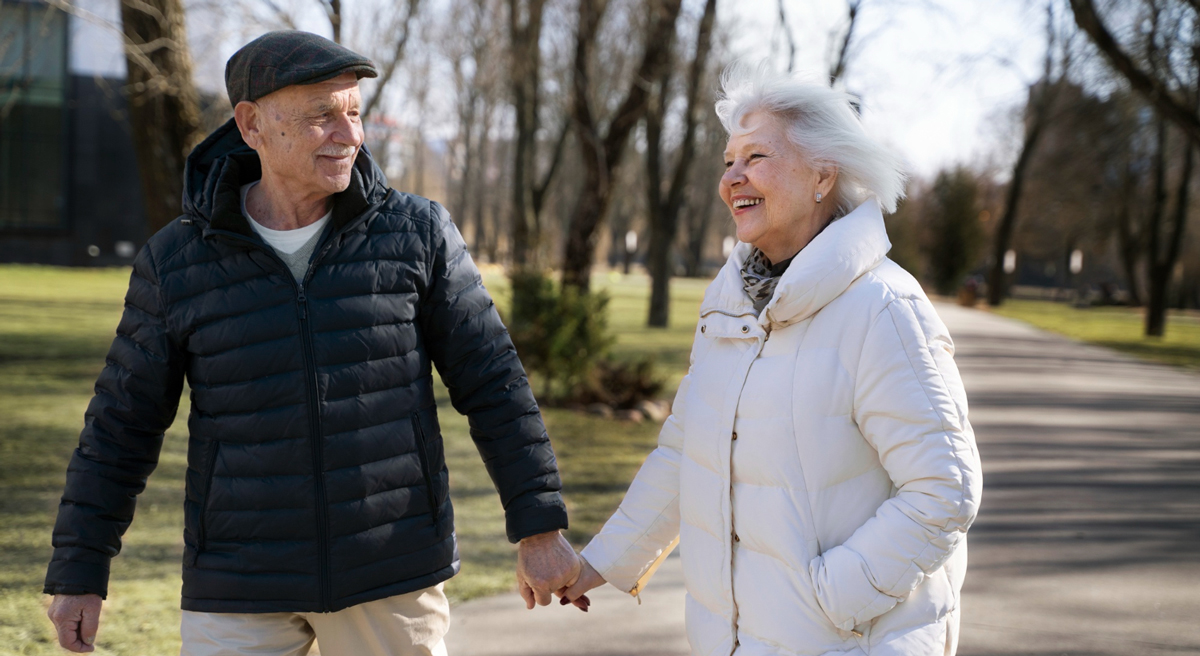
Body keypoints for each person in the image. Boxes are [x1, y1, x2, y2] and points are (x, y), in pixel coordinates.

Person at [44, 30, 580, 656]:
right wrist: (81, 568)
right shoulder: (178, 261)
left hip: (390, 573)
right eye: (323, 116)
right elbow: (120, 425)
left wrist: (539, 524)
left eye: (353, 113)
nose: (350, 135)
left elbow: (494, 383)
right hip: (239, 580)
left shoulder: (418, 233)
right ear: (251, 125)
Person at [562, 66, 984, 656]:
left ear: (822, 175)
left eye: (755, 157)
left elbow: (946, 490)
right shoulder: (729, 302)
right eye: (727, 161)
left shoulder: (884, 308)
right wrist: (601, 562)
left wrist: (829, 599)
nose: (731, 178)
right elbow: (689, 451)